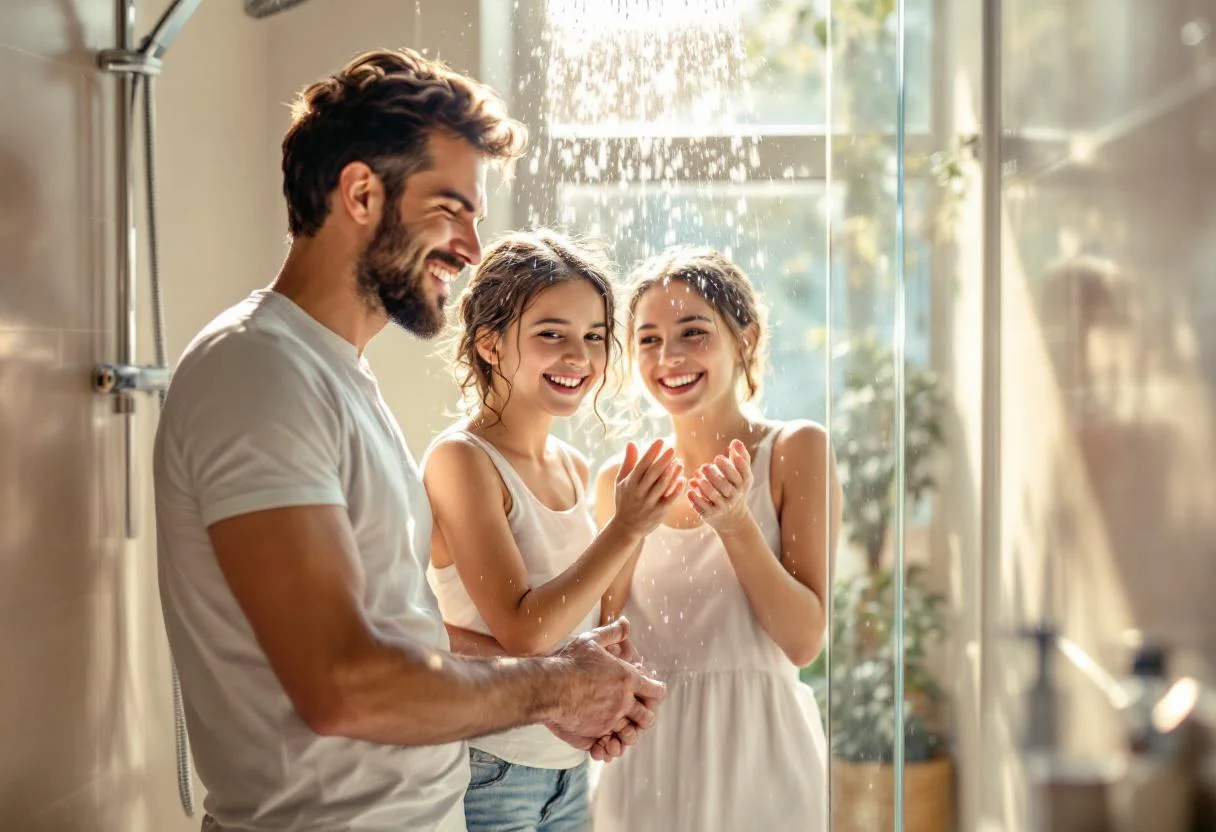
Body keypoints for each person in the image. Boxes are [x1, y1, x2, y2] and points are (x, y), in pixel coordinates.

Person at [153, 49, 664, 832]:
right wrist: (556, 684)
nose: (469, 245)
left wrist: (562, 683)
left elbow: (407, 639)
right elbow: (345, 684)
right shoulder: (256, 371)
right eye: (450, 209)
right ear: (361, 191)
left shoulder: (338, 379)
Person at [423, 230, 685, 831]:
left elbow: (594, 617)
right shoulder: (462, 461)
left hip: (568, 770)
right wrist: (625, 526)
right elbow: (525, 631)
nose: (580, 357)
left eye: (594, 337)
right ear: (489, 344)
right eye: (552, 335)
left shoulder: (571, 466)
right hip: (490, 767)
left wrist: (621, 691)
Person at [591, 247, 840, 832]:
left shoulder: (794, 450)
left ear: (745, 340)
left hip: (761, 755)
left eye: (692, 332)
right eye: (648, 339)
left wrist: (735, 525)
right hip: (645, 758)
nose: (668, 356)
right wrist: (630, 525)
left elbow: (804, 641)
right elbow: (604, 641)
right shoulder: (619, 479)